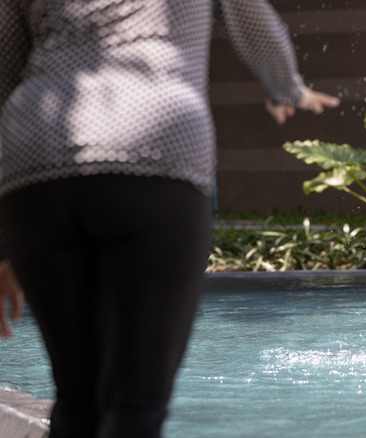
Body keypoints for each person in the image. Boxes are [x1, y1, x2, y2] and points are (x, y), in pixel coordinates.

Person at [0, 1, 338, 436]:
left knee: (76, 399)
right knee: (135, 403)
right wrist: (285, 88)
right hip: (156, 144)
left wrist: (5, 247)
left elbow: (6, 73)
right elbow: (252, 17)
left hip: (36, 156)